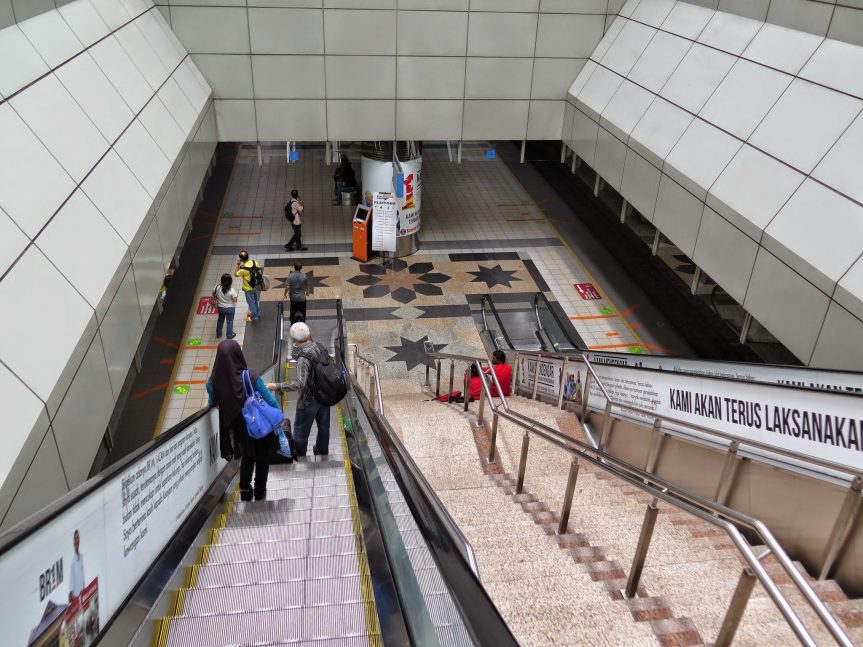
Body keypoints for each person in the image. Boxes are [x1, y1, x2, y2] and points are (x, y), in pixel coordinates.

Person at [207, 339, 279, 501]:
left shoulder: (213, 383)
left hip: (238, 430)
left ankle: (245, 490)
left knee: (247, 456)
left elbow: (213, 403)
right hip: (259, 426)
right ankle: (260, 491)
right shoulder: (251, 377)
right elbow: (270, 400)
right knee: (262, 458)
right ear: (237, 355)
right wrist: (277, 417)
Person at [267, 322, 330, 458]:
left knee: (301, 432)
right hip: (325, 396)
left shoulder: (303, 358)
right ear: (309, 334)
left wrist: (277, 386)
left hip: (309, 400)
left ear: (294, 339)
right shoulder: (320, 346)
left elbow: (300, 383)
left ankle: (300, 456)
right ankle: (322, 452)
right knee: (324, 427)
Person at [235, 250, 261, 323]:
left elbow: (236, 274)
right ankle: (257, 313)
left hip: (248, 288)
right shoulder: (254, 262)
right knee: (255, 300)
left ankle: (254, 317)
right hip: (255, 285)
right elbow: (258, 269)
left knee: (251, 303)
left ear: (241, 259)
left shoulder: (243, 269)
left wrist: (237, 265)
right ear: (248, 256)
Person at [213, 273, 238, 339]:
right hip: (230, 308)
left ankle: (218, 334)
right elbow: (235, 300)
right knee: (229, 322)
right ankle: (229, 336)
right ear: (230, 281)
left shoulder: (216, 287)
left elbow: (214, 296)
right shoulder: (231, 290)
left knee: (220, 320)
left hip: (221, 308)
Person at [69, 529, 84, 602]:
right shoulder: (71, 558)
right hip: (74, 596)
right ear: (73, 542)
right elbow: (70, 578)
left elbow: (82, 575)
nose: (77, 541)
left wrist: (84, 589)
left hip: (82, 593)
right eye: (75, 538)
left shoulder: (81, 556)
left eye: (78, 538)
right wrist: (71, 595)